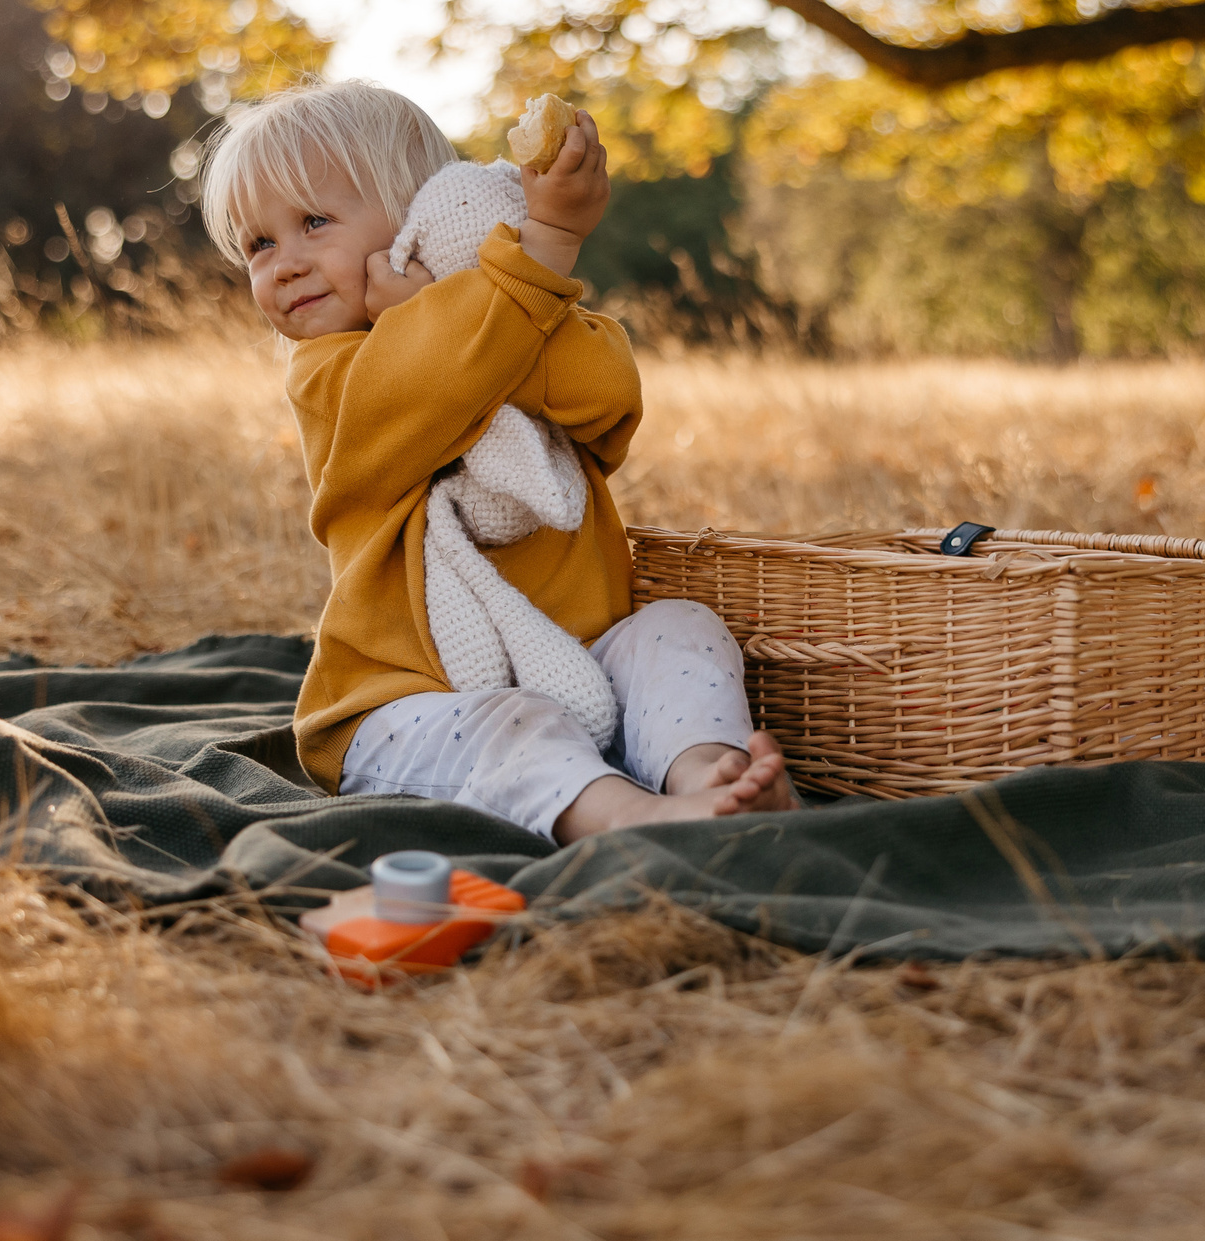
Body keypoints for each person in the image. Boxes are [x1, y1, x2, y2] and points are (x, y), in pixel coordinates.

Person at [196, 80, 797, 844]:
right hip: (402, 708)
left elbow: (608, 395)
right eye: (259, 244)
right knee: (516, 724)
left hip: (582, 662)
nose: (283, 264)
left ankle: (705, 771)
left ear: (416, 214)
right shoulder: (328, 375)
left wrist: (493, 291)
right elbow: (439, 373)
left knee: (679, 628)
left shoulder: (518, 315)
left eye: (313, 222)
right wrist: (545, 244)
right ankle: (631, 816)